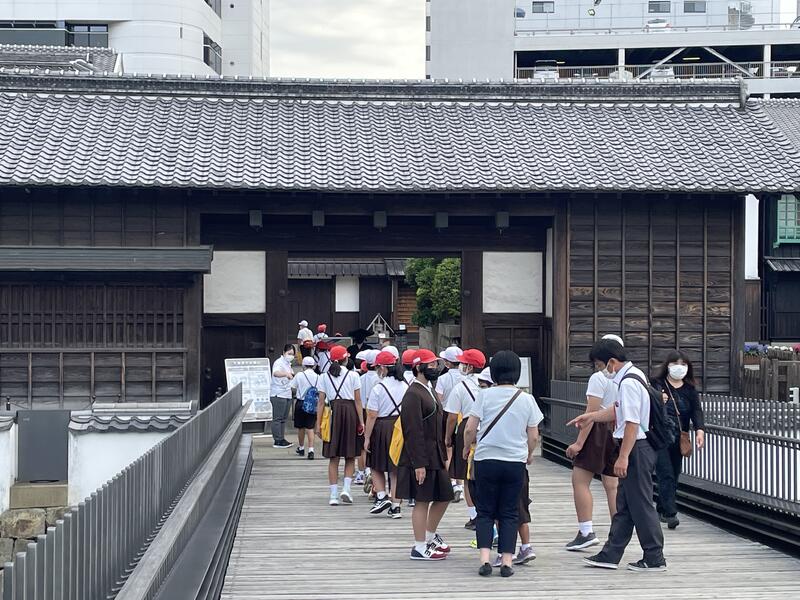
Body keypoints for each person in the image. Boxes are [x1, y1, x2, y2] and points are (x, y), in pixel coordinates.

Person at [568, 339, 666, 572]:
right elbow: (618, 409)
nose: (601, 370)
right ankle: (610, 554)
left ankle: (654, 556)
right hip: (638, 447)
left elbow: (631, 422)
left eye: (600, 365)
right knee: (625, 505)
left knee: (640, 503)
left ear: (611, 362)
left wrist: (623, 457)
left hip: (636, 448)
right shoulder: (634, 375)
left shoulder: (628, 382)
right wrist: (591, 417)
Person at [463, 351, 543, 578]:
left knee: (485, 511)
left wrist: (466, 448)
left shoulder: (484, 395)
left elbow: (470, 428)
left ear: (494, 373)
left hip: (486, 459)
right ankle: (507, 561)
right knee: (509, 511)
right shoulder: (527, 399)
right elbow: (533, 435)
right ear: (517, 373)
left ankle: (485, 559)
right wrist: (529, 454)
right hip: (514, 461)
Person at [564, 334, 624, 551]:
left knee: (580, 480)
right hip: (619, 430)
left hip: (599, 430)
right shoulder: (629, 376)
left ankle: (586, 531)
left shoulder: (599, 378)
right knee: (612, 485)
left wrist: (579, 443)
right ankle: (618, 532)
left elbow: (591, 412)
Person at [395, 349, 454, 561]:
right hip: (421, 456)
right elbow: (412, 430)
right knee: (422, 500)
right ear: (418, 367)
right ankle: (419, 546)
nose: (434, 368)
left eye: (435, 364)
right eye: (430, 365)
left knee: (444, 496)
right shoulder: (413, 393)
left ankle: (429, 536)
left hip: (435, 453)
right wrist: (418, 463)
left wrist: (443, 454)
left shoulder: (428, 389)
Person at [651, 350, 705, 530]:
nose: (679, 367)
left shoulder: (689, 389)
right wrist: (658, 398)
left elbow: (696, 410)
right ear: (667, 365)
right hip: (659, 435)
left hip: (679, 436)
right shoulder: (657, 384)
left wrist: (700, 430)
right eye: (675, 364)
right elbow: (646, 403)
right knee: (665, 473)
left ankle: (661, 508)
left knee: (674, 473)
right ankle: (671, 513)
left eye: (683, 364)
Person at [315, 345, 364, 505]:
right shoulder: (353, 375)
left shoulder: (324, 377)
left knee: (333, 456)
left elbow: (320, 402)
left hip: (332, 414)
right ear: (346, 358)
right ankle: (347, 489)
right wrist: (361, 421)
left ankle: (333, 495)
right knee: (350, 455)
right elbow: (358, 401)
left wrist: (318, 424)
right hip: (350, 413)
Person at [444, 349, 486, 529]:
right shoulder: (490, 385)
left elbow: (452, 417)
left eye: (463, 363)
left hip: (467, 427)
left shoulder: (460, 387)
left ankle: (474, 515)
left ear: (469, 367)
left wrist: (447, 437)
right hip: (488, 427)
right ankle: (487, 513)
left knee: (468, 475)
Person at [364, 351, 409, 518]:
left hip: (381, 427)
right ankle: (396, 507)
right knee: (395, 469)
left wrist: (366, 437)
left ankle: (382, 496)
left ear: (382, 368)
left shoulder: (378, 388)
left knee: (375, 464)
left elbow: (372, 415)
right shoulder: (405, 386)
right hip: (400, 427)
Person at [356, 349, 380, 486]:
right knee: (375, 444)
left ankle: (361, 473)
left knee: (362, 445)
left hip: (363, 411)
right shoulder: (380, 379)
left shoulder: (361, 378)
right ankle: (373, 472)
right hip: (376, 413)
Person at [291, 356, 319, 460]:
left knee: (301, 427)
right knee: (310, 428)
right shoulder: (318, 376)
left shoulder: (299, 375)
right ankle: (311, 450)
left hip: (301, 402)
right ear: (314, 366)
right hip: (312, 404)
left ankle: (301, 448)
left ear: (303, 365)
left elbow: (293, 387)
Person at [270, 344, 295, 449]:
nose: (291, 356)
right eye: (289, 353)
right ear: (284, 352)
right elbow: (276, 373)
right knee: (278, 418)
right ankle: (277, 440)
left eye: (292, 354)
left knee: (283, 418)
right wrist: (286, 374)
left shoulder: (288, 364)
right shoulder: (278, 362)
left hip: (287, 393)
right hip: (278, 393)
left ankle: (281, 438)